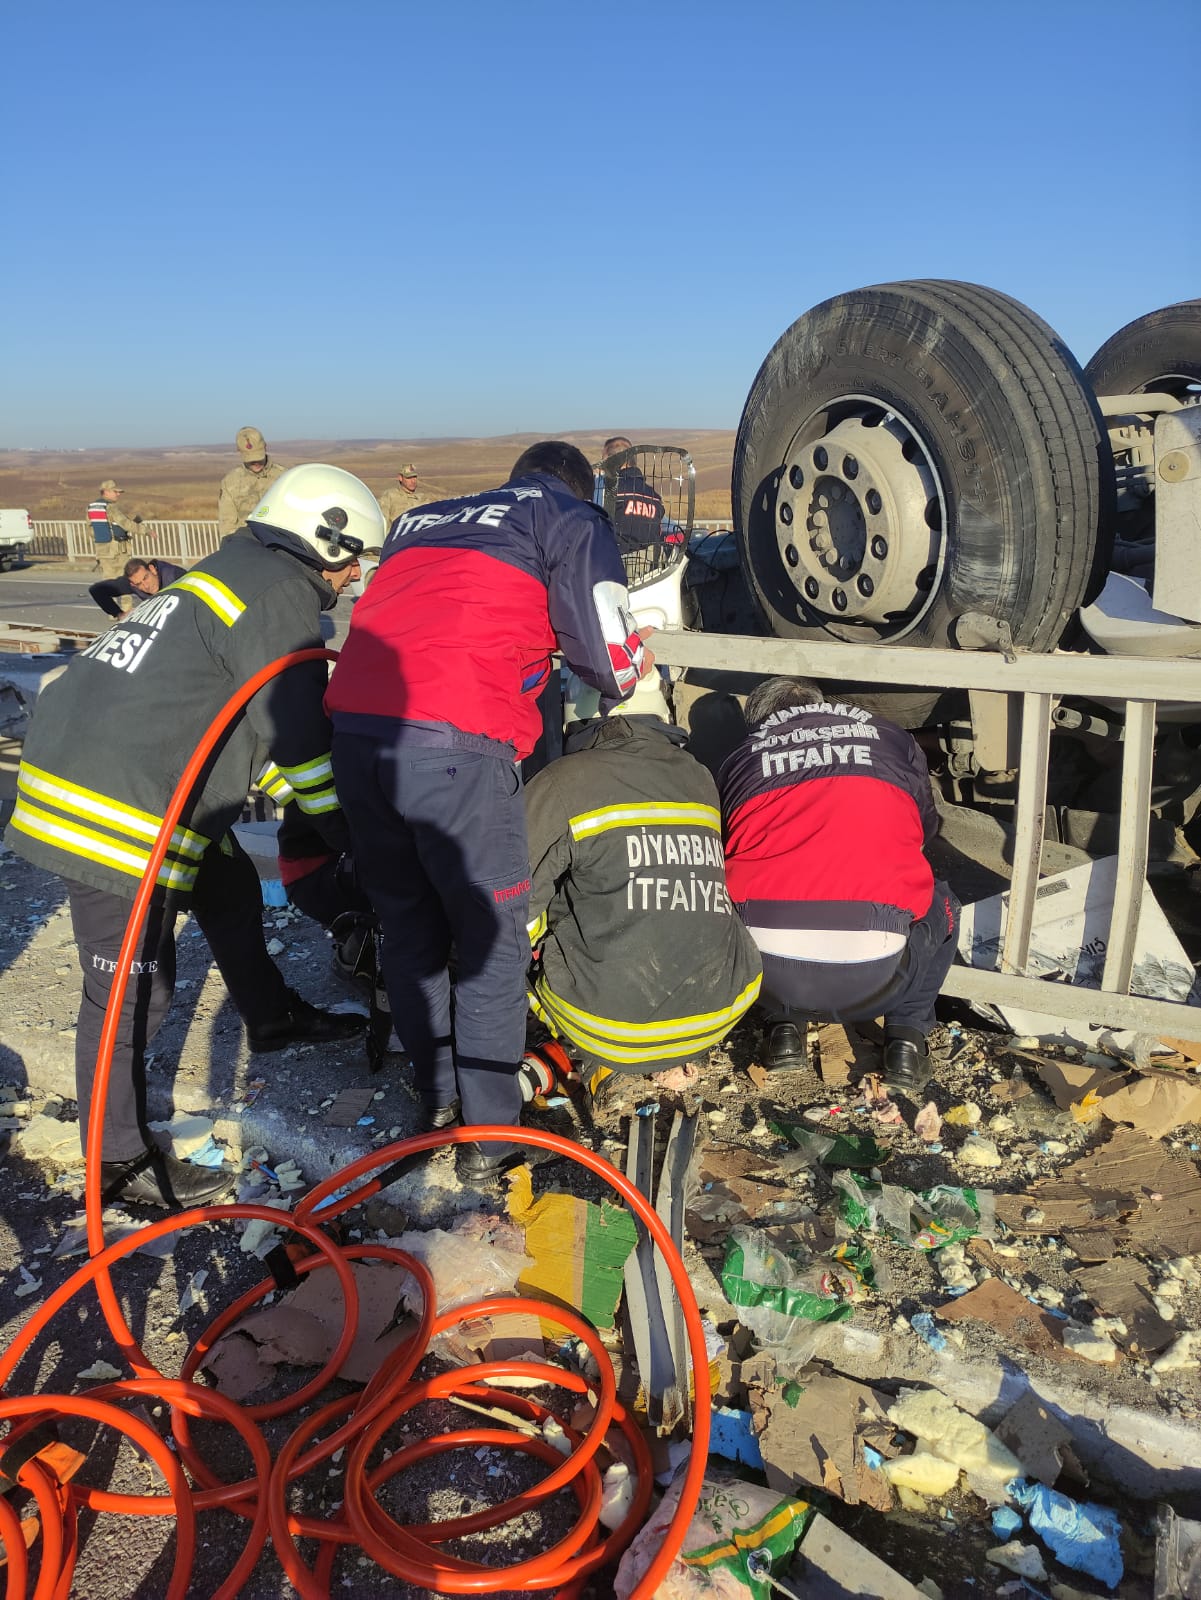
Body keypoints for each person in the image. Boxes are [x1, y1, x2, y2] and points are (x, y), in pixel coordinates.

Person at [5, 465, 383, 1209]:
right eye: (352, 557)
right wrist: (355, 840)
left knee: (230, 884)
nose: (353, 575)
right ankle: (115, 1162)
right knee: (128, 994)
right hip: (113, 805)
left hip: (126, 772)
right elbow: (300, 744)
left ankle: (269, 1019)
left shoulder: (240, 569)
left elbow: (241, 732)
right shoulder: (278, 596)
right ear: (324, 539)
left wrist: (304, 800)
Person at [326, 440, 653, 1184]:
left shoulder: (421, 519)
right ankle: (489, 1139)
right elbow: (607, 661)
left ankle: (436, 1103)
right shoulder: (565, 515)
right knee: (488, 944)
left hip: (356, 736)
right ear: (580, 484)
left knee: (409, 925)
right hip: (454, 745)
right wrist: (636, 658)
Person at [524, 673, 761, 1103]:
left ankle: (585, 1054)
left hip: (612, 1029)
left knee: (525, 904)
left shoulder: (564, 781)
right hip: (721, 1012)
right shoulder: (698, 775)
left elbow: (508, 900)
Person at [718, 676, 959, 1097]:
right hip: (878, 985)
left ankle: (783, 1031)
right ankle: (906, 1040)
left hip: (767, 979)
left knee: (751, 901)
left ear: (758, 724)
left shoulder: (740, 758)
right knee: (946, 903)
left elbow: (726, 841)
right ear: (821, 705)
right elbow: (925, 826)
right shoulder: (888, 737)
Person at [598, 436, 669, 570]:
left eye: (604, 461)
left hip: (614, 571)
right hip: (651, 572)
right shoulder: (654, 497)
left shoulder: (607, 491)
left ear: (613, 461)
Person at [87, 480, 148, 603]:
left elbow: (91, 529)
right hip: (118, 549)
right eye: (115, 492)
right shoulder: (111, 507)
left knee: (108, 581)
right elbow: (125, 524)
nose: (118, 494)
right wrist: (146, 531)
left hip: (103, 549)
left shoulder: (92, 507)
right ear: (106, 492)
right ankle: (127, 609)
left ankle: (112, 610)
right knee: (125, 580)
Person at [218, 426, 286, 537]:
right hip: (247, 546)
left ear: (265, 447)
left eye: (258, 457)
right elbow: (227, 525)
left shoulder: (284, 476)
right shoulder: (230, 482)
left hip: (280, 545)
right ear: (239, 451)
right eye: (250, 459)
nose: (255, 462)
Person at [88, 556, 185, 620]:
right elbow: (97, 590)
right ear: (133, 584)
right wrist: (119, 614)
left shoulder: (175, 575)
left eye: (146, 578)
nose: (146, 586)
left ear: (152, 569)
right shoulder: (131, 583)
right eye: (139, 584)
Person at [378, 462, 433, 529]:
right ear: (400, 478)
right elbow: (382, 521)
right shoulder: (390, 496)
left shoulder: (424, 499)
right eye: (409, 478)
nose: (413, 481)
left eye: (414, 477)